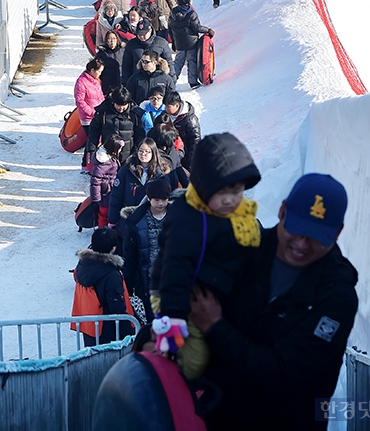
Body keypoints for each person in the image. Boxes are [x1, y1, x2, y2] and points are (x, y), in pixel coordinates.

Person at [190, 172, 358, 431]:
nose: (301, 244)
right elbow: (187, 306)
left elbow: (284, 372)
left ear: (337, 233)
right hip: (218, 418)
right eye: (297, 229)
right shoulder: (242, 253)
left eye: (316, 237)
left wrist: (216, 328)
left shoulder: (337, 297)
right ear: (282, 211)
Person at [150, 132, 261, 379]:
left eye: (237, 190)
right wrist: (174, 317)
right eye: (223, 192)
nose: (231, 199)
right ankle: (176, 385)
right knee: (195, 357)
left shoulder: (237, 215)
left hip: (211, 290)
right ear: (204, 186)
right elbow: (175, 270)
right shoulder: (189, 220)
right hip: (181, 297)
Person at [71, 227, 131, 346]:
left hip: (89, 326)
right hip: (109, 331)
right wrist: (129, 333)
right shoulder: (111, 274)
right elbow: (117, 307)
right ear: (113, 248)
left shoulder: (83, 265)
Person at [123, 177, 172, 320]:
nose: (161, 203)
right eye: (157, 200)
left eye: (164, 199)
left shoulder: (178, 217)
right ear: (149, 199)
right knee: (154, 319)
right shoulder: (136, 221)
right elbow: (130, 255)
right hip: (149, 278)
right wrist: (129, 284)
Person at [107, 138, 170, 234]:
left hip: (152, 221)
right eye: (141, 151)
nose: (143, 154)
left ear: (153, 153)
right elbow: (116, 196)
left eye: (147, 152)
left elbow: (167, 197)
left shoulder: (161, 174)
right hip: (129, 218)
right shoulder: (127, 170)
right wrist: (112, 219)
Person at [87, 85, 145, 165]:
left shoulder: (134, 114)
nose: (121, 109)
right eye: (118, 105)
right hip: (107, 154)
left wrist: (139, 150)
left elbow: (140, 134)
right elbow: (93, 133)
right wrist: (91, 150)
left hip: (128, 154)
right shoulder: (102, 113)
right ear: (113, 102)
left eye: (124, 106)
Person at [169, 0, 214, 89]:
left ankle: (171, 81)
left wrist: (173, 41)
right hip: (191, 43)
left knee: (178, 62)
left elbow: (170, 28)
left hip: (179, 43)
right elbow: (197, 27)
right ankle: (193, 82)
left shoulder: (172, 13)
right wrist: (208, 30)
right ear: (189, 0)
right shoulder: (191, 13)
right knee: (192, 61)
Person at [121, 17, 174, 85]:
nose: (141, 37)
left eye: (144, 34)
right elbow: (126, 66)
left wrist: (172, 81)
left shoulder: (161, 43)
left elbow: (169, 63)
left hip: (158, 82)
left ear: (150, 31)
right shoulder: (131, 44)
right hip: (138, 82)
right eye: (139, 34)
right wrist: (125, 83)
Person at [74, 58, 105, 166]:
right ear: (92, 70)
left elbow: (100, 96)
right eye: (99, 71)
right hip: (88, 118)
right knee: (91, 141)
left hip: (97, 115)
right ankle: (86, 164)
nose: (100, 74)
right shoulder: (81, 82)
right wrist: (92, 112)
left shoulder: (96, 81)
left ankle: (91, 163)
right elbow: (80, 101)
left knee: (96, 140)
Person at [90, 135, 124, 226]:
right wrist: (96, 198)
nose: (120, 150)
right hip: (106, 193)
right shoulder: (105, 162)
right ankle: (103, 233)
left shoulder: (110, 158)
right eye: (120, 148)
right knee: (104, 215)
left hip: (110, 190)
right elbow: (95, 180)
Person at [164, 91, 201, 171]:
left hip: (186, 156)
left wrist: (191, 162)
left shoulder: (190, 119)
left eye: (168, 107)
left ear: (177, 105)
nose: (166, 109)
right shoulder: (166, 116)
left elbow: (195, 141)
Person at [95, 30, 124, 96]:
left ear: (117, 39)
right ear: (106, 40)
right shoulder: (101, 53)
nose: (112, 41)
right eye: (109, 39)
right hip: (107, 83)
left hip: (121, 82)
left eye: (114, 38)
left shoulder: (123, 51)